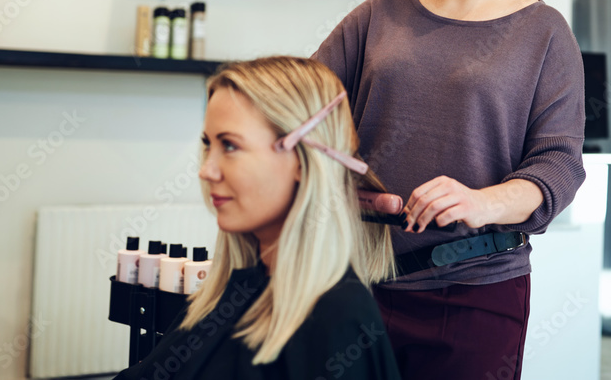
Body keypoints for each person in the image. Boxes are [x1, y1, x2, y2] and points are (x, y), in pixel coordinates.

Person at [312, 0, 586, 380]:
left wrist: (481, 202)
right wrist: (346, 187)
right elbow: (303, 114)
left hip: (476, 293)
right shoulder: (377, 16)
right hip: (360, 280)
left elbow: (559, 165)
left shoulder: (544, 33)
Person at [115, 56, 402, 379]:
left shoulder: (338, 320)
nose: (206, 170)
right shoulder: (229, 291)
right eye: (209, 145)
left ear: (301, 161)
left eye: (231, 146)